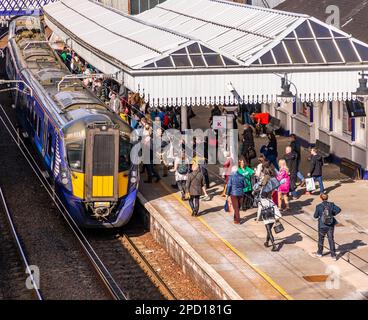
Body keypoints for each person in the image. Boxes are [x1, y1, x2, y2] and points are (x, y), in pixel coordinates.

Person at [313, 194, 341, 260]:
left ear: (321, 198)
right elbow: (339, 209)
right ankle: (333, 255)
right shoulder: (331, 204)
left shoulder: (319, 206)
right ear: (327, 198)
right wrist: (333, 214)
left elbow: (315, 216)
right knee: (331, 239)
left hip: (322, 225)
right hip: (330, 224)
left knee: (321, 239)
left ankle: (319, 253)